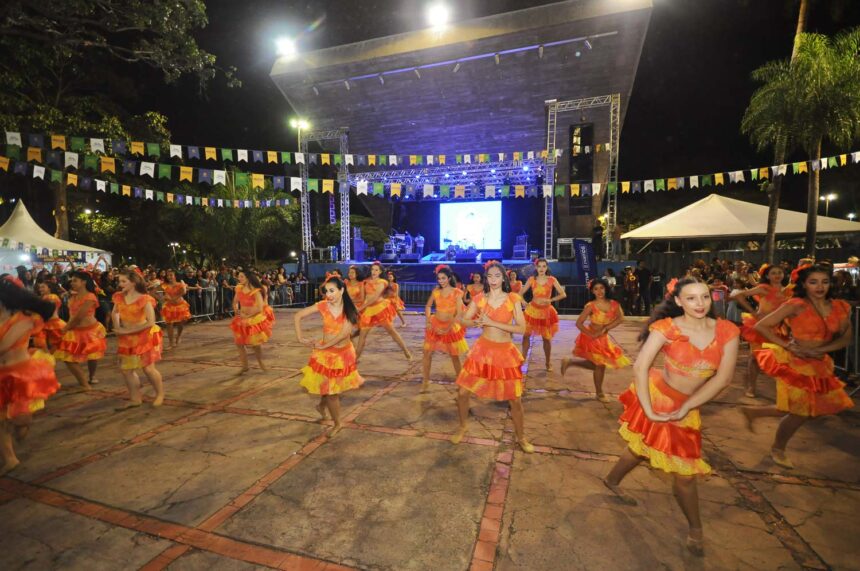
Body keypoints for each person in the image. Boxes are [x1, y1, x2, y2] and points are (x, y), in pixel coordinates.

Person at [603, 277, 740, 556]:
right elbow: (641, 367)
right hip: (656, 396)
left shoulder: (727, 330)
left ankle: (694, 527)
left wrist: (689, 406)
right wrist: (650, 408)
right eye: (691, 298)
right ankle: (695, 528)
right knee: (646, 448)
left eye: (704, 297)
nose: (699, 303)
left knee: (675, 468)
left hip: (688, 406)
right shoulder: (668, 328)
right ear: (678, 301)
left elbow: (724, 379)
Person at [741, 264, 854, 469]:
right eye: (813, 282)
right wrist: (787, 345)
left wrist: (824, 349)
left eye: (824, 281)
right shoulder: (796, 304)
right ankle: (778, 448)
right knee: (801, 411)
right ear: (804, 284)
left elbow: (846, 337)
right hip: (796, 364)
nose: (819, 287)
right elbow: (761, 325)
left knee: (808, 409)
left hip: (820, 365)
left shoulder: (840, 307)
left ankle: (755, 413)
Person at [452, 261, 533, 453]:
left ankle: (521, 437)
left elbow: (521, 328)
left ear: (504, 277)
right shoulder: (480, 298)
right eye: (490, 276)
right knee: (463, 393)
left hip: (505, 352)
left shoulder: (512, 298)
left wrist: (492, 322)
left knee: (515, 399)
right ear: (486, 278)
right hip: (482, 350)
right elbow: (463, 319)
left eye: (497, 276)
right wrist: (474, 323)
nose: (494, 280)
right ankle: (463, 427)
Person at [0, 277, 60, 475]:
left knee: (20, 421)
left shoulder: (24, 319)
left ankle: (21, 427)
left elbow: (3, 346)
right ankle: (10, 459)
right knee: (1, 420)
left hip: (20, 374)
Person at [294, 273, 363, 437]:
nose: (328, 295)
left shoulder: (349, 310)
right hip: (325, 354)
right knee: (331, 391)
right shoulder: (323, 305)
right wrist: (300, 337)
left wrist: (322, 345)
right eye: (326, 291)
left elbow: (342, 335)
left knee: (332, 389)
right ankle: (337, 422)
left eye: (332, 291)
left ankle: (324, 408)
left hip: (342, 354)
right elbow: (298, 316)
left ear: (342, 290)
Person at [562, 278, 631, 401]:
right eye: (596, 289)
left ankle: (570, 362)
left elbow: (620, 318)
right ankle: (599, 393)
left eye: (602, 288)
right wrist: (590, 334)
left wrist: (606, 328)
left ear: (606, 289)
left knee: (599, 365)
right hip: (591, 337)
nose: (599, 291)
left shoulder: (614, 304)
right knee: (600, 365)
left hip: (603, 338)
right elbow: (579, 323)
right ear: (592, 291)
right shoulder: (591, 306)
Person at [730, 265, 790, 398]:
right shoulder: (764, 288)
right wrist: (754, 313)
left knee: (781, 358)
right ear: (767, 276)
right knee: (755, 357)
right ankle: (752, 386)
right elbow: (739, 295)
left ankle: (782, 390)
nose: (777, 275)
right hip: (761, 327)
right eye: (773, 273)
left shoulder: (788, 291)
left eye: (779, 272)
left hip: (779, 328)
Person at [112, 269, 165, 409]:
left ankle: (159, 394)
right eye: (119, 281)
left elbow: (150, 322)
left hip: (144, 336)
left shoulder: (144, 299)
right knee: (127, 370)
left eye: (124, 281)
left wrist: (128, 330)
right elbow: (115, 313)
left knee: (148, 368)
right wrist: (118, 328)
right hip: (126, 338)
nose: (120, 284)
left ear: (134, 282)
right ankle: (135, 398)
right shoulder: (118, 297)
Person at [54, 270, 107, 389]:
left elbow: (79, 316)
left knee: (92, 356)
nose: (72, 283)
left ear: (83, 282)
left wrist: (66, 328)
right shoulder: (73, 296)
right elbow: (73, 315)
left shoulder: (90, 297)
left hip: (90, 331)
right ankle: (84, 382)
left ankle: (91, 377)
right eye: (72, 280)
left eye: (75, 280)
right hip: (74, 330)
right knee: (68, 357)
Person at [422, 265, 468, 393]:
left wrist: (448, 328)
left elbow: (459, 313)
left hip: (450, 326)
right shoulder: (436, 291)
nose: (441, 281)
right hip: (435, 324)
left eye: (443, 278)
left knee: (454, 355)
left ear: (449, 278)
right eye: (439, 278)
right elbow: (427, 306)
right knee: (427, 353)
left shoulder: (456, 292)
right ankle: (425, 381)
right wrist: (428, 321)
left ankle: (461, 382)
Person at [354, 262, 411, 361]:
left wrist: (361, 307)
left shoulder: (382, 282)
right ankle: (354, 360)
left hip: (380, 309)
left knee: (392, 332)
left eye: (376, 270)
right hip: (368, 310)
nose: (374, 271)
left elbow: (375, 297)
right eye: (373, 269)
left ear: (380, 272)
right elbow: (363, 298)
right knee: (362, 335)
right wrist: (353, 303)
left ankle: (406, 351)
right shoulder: (365, 282)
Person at [520, 258, 566, 370]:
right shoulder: (532, 279)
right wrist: (523, 302)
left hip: (546, 312)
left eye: (544, 266)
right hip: (532, 311)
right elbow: (520, 293)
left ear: (547, 267)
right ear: (536, 267)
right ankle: (522, 359)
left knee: (546, 338)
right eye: (539, 266)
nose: (541, 268)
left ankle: (548, 362)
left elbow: (563, 294)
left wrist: (550, 300)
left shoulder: (551, 280)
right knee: (526, 336)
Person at [230, 270, 272, 373]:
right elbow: (235, 302)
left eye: (241, 277)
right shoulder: (239, 289)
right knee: (239, 343)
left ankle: (261, 363)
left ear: (248, 278)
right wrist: (237, 312)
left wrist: (247, 315)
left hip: (253, 320)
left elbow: (259, 308)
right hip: (241, 319)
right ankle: (244, 366)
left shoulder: (256, 291)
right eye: (239, 277)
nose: (239, 279)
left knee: (256, 344)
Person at [161, 270, 192, 350]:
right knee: (169, 324)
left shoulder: (180, 284)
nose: (169, 277)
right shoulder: (164, 285)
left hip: (180, 306)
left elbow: (184, 292)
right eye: (168, 275)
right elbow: (153, 292)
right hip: (169, 307)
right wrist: (161, 298)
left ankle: (178, 336)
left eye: (171, 275)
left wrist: (176, 296)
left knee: (180, 324)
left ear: (175, 276)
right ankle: (171, 343)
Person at [35, 281, 65, 351]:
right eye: (40, 287)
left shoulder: (52, 297)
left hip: (53, 325)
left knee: (54, 348)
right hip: (47, 324)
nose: (40, 289)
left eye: (43, 287)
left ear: (49, 288)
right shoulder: (45, 297)